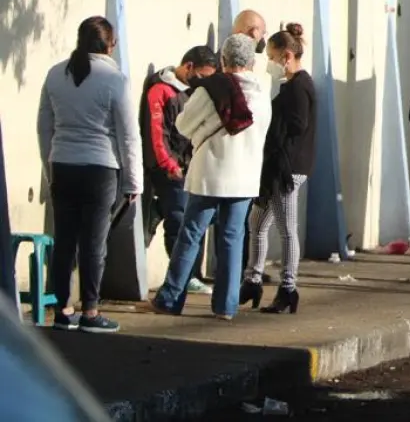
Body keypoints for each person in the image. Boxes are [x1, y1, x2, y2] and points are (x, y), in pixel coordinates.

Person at [152, 34, 271, 320]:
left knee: (191, 234)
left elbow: (182, 125)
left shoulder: (210, 89)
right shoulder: (262, 93)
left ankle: (170, 299)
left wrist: (203, 127)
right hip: (244, 177)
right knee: (232, 238)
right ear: (252, 62)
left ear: (223, 60)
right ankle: (226, 306)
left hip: (210, 172)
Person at [36, 16, 142, 333]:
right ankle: (91, 312)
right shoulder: (115, 80)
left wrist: (50, 165)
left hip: (63, 165)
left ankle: (62, 310)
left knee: (64, 240)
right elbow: (127, 135)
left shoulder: (56, 74)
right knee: (94, 244)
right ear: (110, 44)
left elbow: (44, 126)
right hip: (100, 169)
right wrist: (133, 180)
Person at [241, 24, 316, 314]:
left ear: (286, 56)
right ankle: (253, 279)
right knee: (258, 224)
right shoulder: (292, 85)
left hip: (288, 168)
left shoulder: (298, 87)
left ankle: (288, 287)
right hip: (278, 167)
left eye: (272, 57)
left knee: (286, 229)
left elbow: (296, 126)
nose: (270, 63)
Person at [140, 45, 219, 296]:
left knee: (188, 220)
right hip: (169, 169)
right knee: (179, 222)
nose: (203, 82)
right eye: (203, 76)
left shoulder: (190, 92)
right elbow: (156, 133)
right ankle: (186, 277)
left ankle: (188, 275)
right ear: (189, 67)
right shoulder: (161, 90)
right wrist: (169, 165)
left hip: (187, 166)